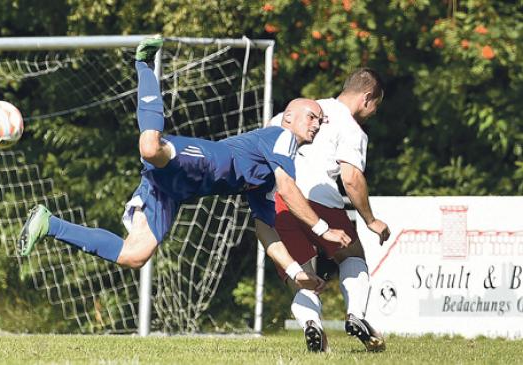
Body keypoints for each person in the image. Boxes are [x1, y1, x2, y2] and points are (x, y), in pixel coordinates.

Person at [18, 36, 352, 292]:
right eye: (312, 116)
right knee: (150, 147)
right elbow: (288, 189)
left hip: (173, 191)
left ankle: (50, 224)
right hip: (202, 162)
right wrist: (323, 229)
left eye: (321, 122)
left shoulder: (266, 177)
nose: (316, 124)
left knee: (135, 255)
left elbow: (266, 228)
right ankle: (144, 65)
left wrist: (296, 272)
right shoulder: (281, 138)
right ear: (289, 116)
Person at [268, 68, 390, 352]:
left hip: (281, 200)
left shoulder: (296, 111)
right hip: (320, 200)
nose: (373, 113)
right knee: (352, 254)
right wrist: (370, 220)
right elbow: (351, 178)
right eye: (375, 106)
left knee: (302, 274)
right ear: (367, 98)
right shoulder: (349, 127)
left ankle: (312, 325)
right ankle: (356, 316)